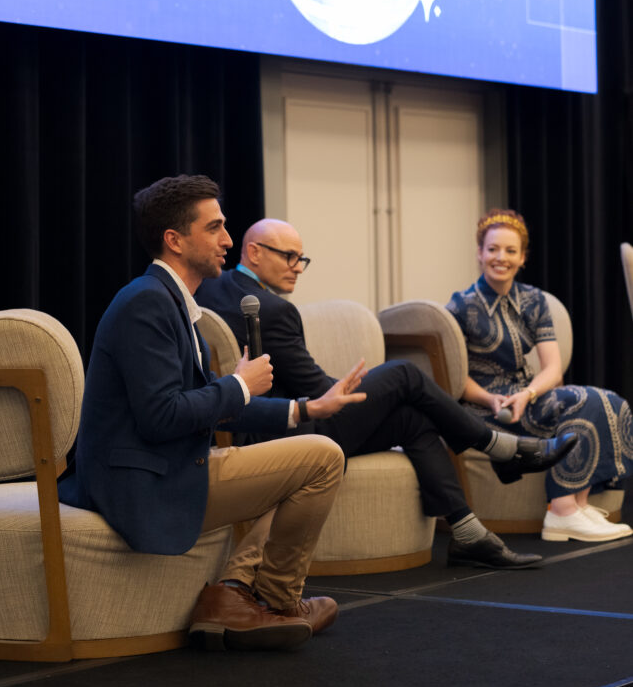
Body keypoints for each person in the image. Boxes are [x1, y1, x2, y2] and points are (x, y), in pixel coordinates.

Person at [59, 175, 370, 652]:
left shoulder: (173, 304)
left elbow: (210, 407)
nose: (229, 240)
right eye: (216, 228)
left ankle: (235, 597)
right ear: (175, 240)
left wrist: (306, 407)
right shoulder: (145, 302)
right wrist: (240, 385)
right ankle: (276, 603)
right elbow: (161, 416)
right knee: (323, 457)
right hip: (142, 483)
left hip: (168, 465)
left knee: (303, 456)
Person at [196, 218, 576, 570]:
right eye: (289, 256)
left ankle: (468, 532)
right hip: (284, 431)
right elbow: (319, 390)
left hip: (252, 425)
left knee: (412, 419)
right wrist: (366, 390)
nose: (298, 266)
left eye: (302, 258)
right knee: (404, 374)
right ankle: (498, 446)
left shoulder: (213, 288)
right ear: (255, 251)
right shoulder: (272, 308)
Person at [446, 208, 633, 543]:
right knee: (582, 399)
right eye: (492, 249)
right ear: (479, 253)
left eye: (510, 251)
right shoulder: (460, 305)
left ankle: (578, 503)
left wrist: (529, 393)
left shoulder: (533, 300)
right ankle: (561, 510)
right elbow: (454, 376)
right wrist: (491, 398)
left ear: (522, 258)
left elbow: (552, 367)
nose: (500, 257)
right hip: (487, 407)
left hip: (525, 395)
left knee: (609, 399)